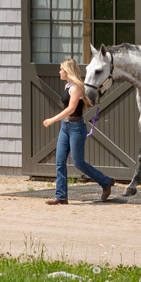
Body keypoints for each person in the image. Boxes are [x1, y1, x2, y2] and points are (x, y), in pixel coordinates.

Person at [42, 58, 113, 204]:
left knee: (79, 163)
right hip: (65, 127)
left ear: (68, 71)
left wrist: (52, 119)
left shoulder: (76, 88)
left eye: (61, 69)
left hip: (76, 128)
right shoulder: (67, 86)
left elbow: (71, 109)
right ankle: (61, 196)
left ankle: (105, 182)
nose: (59, 72)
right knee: (59, 161)